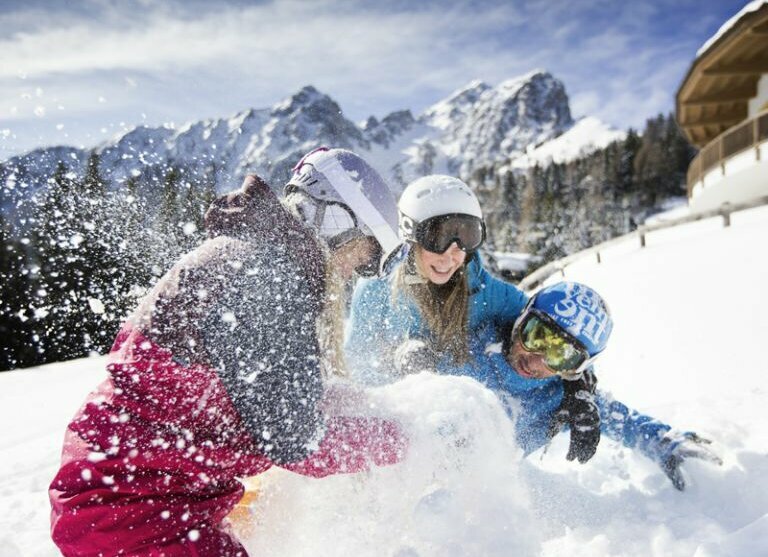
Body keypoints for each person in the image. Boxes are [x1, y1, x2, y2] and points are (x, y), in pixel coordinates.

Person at [49, 148, 408, 557]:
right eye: (361, 256)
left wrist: (374, 404)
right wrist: (406, 438)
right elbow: (297, 438)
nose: (351, 273)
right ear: (333, 219)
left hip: (139, 501)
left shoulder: (257, 257)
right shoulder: (265, 275)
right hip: (134, 512)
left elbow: (278, 399)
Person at [346, 174, 721, 490]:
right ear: (411, 233)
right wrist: (402, 368)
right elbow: (357, 374)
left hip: (474, 489)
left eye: (465, 238)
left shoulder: (494, 301)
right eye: (438, 236)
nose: (451, 253)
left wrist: (579, 385)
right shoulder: (381, 297)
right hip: (404, 452)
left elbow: (559, 331)